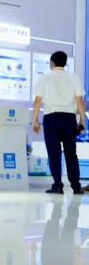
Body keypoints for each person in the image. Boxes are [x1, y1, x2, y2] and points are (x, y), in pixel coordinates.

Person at [31, 51, 86, 194]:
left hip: (51, 118)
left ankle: (57, 185)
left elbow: (37, 101)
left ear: (52, 63)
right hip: (69, 118)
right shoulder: (73, 77)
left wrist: (35, 120)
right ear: (65, 63)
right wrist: (82, 121)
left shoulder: (44, 77)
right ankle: (76, 186)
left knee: (53, 152)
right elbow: (80, 101)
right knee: (71, 152)